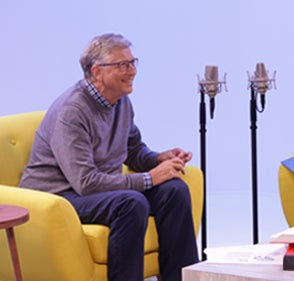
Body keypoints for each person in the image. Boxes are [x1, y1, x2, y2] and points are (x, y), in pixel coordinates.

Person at [19, 33, 198, 281]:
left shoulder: (120, 101)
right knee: (130, 203)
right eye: (122, 65)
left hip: (93, 190)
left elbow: (134, 151)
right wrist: (149, 178)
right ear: (97, 71)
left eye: (133, 62)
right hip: (58, 196)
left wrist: (159, 159)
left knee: (174, 190)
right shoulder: (73, 111)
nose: (133, 71)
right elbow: (87, 183)